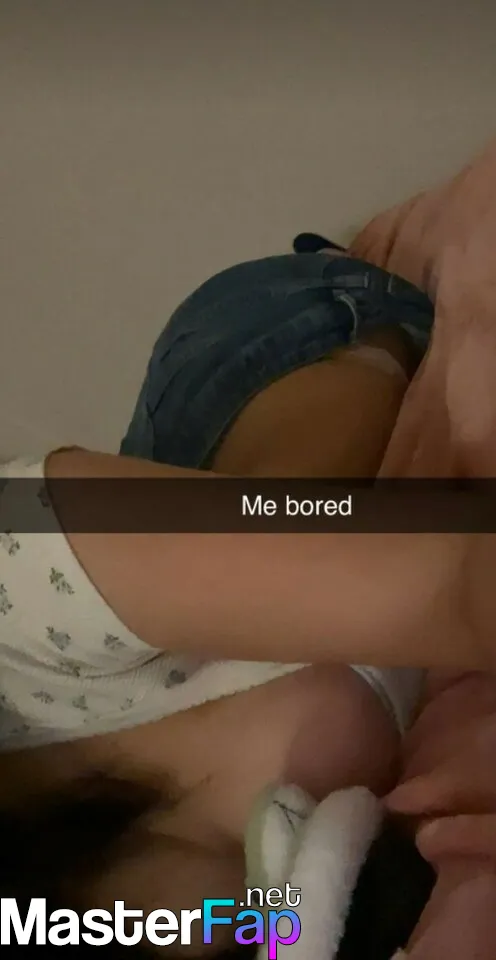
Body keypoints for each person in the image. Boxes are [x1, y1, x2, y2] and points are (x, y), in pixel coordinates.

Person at [0, 249, 441, 958]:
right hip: (146, 609)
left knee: (289, 535)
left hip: (267, 339)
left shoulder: (20, 575)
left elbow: (478, 571)